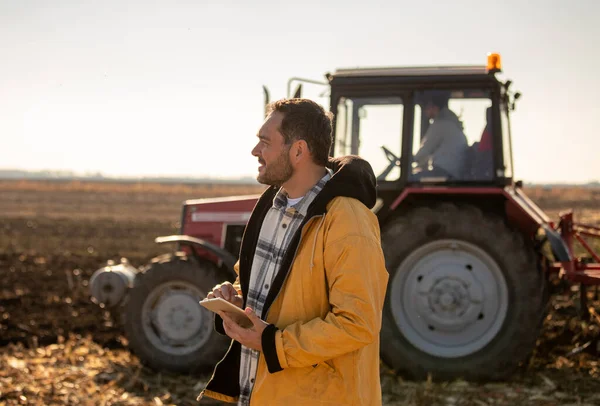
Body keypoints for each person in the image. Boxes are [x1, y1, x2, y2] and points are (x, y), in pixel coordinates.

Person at [197, 98, 389, 405]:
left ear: (298, 151)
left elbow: (358, 323)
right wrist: (233, 298)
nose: (255, 151)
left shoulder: (348, 220)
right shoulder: (270, 207)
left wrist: (272, 343)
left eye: (264, 142)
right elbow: (261, 287)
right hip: (263, 391)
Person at [412, 90, 468, 179]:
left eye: (426, 107)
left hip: (444, 172)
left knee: (412, 179)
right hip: (452, 172)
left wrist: (409, 160)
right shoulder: (451, 123)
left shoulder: (441, 124)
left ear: (433, 106)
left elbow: (425, 150)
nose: (425, 111)